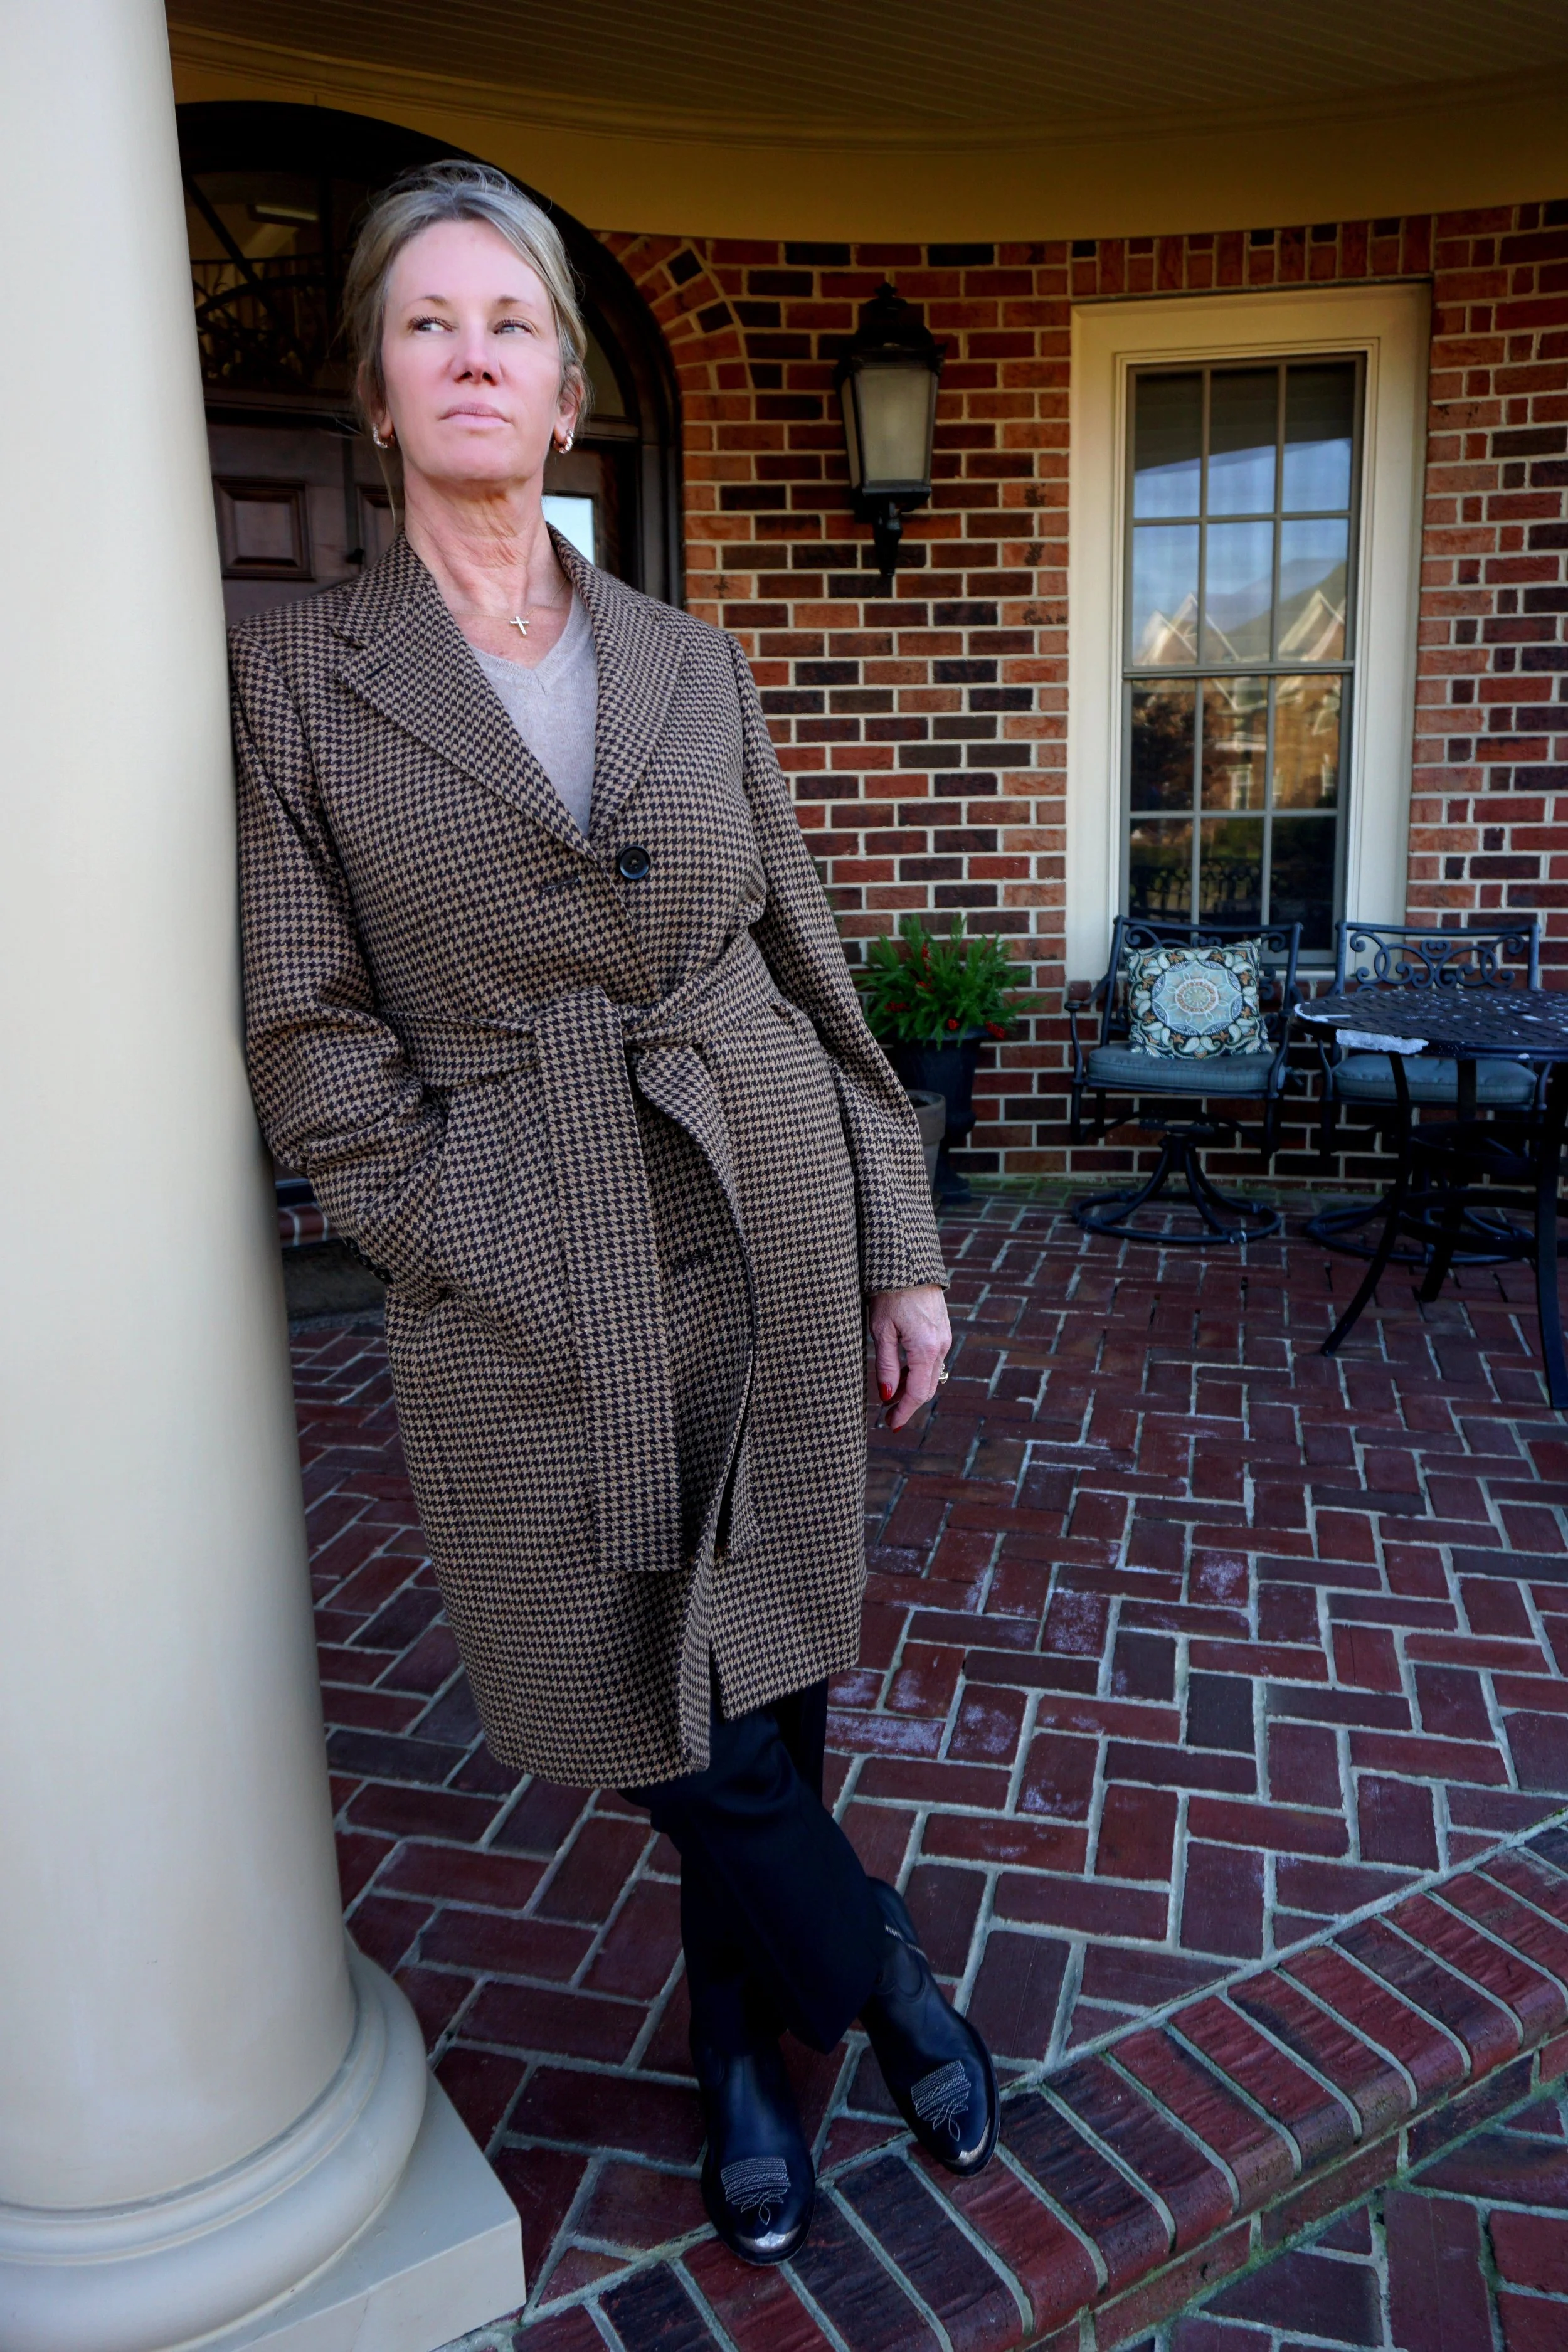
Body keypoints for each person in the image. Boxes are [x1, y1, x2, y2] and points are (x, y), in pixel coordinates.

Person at [231, 159, 997, 2265]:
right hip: (514, 1238)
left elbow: (808, 964)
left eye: (513, 326)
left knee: (764, 1679)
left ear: (566, 394)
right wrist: (448, 1222)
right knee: (620, 1684)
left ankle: (738, 2064)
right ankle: (876, 1967)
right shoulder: (296, 677)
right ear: (378, 396)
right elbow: (303, 1025)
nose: (474, 356)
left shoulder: (693, 658)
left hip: (757, 1184)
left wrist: (896, 1238)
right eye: (429, 324)